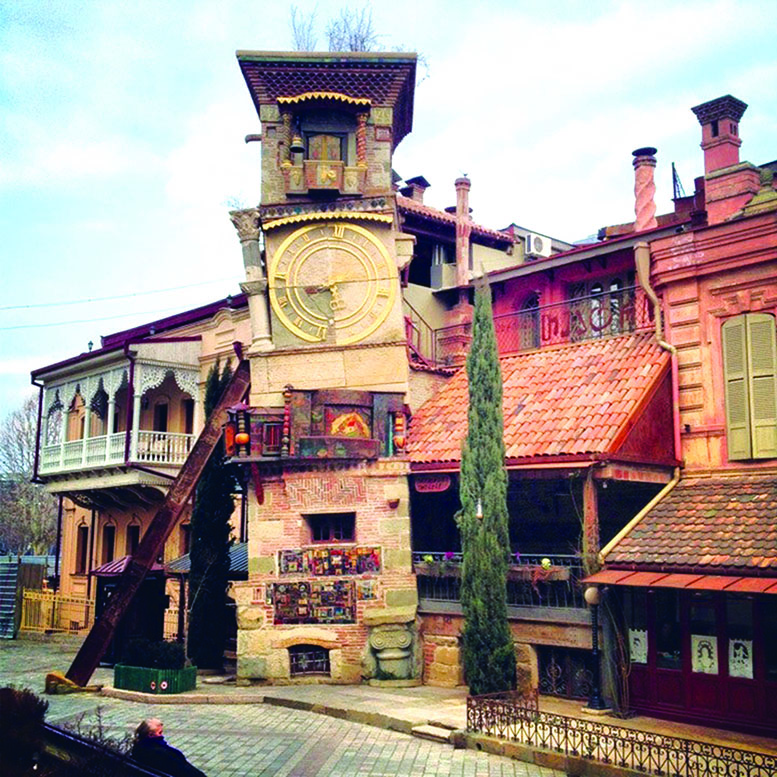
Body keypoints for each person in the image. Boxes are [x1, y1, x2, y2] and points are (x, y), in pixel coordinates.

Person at [131, 718, 207, 777]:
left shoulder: (140, 746)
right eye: (159, 733)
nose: (162, 736)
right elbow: (183, 770)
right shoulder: (159, 753)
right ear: (150, 734)